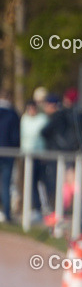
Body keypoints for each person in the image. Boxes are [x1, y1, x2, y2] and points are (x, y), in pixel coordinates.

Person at [0, 91, 19, 222]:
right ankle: (6, 213)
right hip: (9, 153)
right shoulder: (13, 114)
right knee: (6, 184)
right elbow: (16, 136)